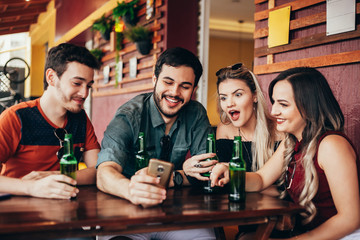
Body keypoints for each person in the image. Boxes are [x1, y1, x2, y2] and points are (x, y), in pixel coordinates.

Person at [211, 67, 360, 239]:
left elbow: (350, 219)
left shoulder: (332, 145)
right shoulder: (290, 142)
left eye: (283, 104)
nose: (273, 111)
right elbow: (260, 179)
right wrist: (231, 172)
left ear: (308, 106)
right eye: (274, 102)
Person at [96, 47, 216, 239]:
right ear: (154, 80)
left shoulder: (196, 113)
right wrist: (131, 190)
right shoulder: (128, 116)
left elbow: (205, 171)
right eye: (168, 82)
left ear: (193, 90)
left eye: (185, 86)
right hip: (124, 210)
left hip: (174, 212)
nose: (174, 92)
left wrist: (175, 177)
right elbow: (104, 173)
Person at [0, 43, 101, 199]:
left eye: (89, 86)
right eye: (77, 83)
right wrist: (32, 187)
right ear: (51, 78)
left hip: (65, 212)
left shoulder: (80, 119)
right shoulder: (15, 117)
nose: (84, 93)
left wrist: (52, 176)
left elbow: (98, 171)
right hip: (17, 213)